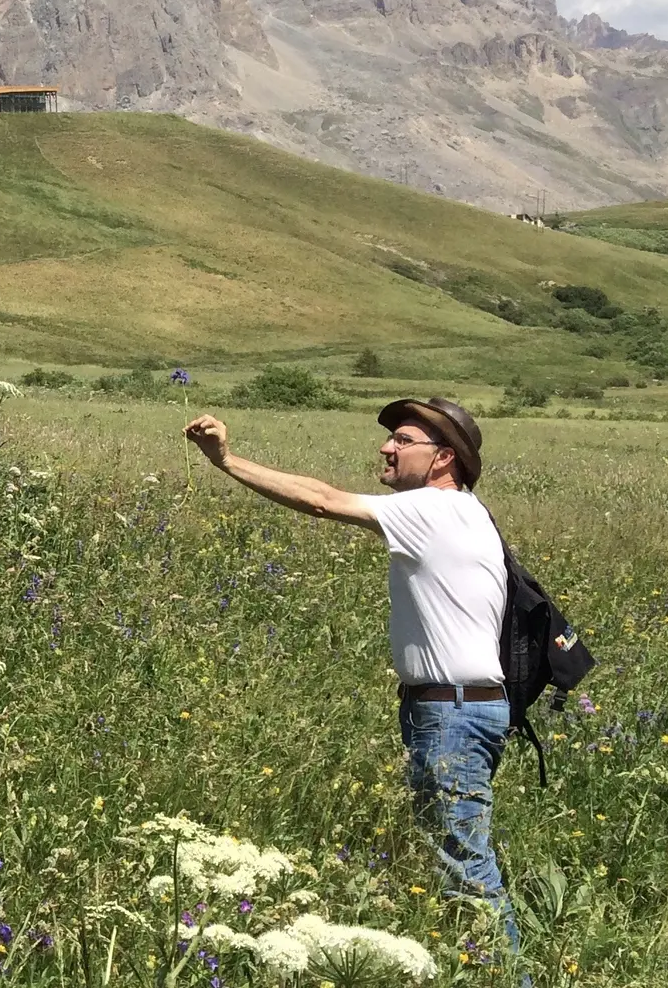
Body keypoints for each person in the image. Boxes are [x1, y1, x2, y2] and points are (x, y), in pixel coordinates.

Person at [183, 398, 519, 949]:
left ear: (443, 459)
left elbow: (321, 501)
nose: (387, 447)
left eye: (403, 440)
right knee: (456, 860)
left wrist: (226, 461)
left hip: (450, 714)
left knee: (466, 869)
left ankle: (512, 976)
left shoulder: (436, 510)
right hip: (457, 707)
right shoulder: (464, 513)